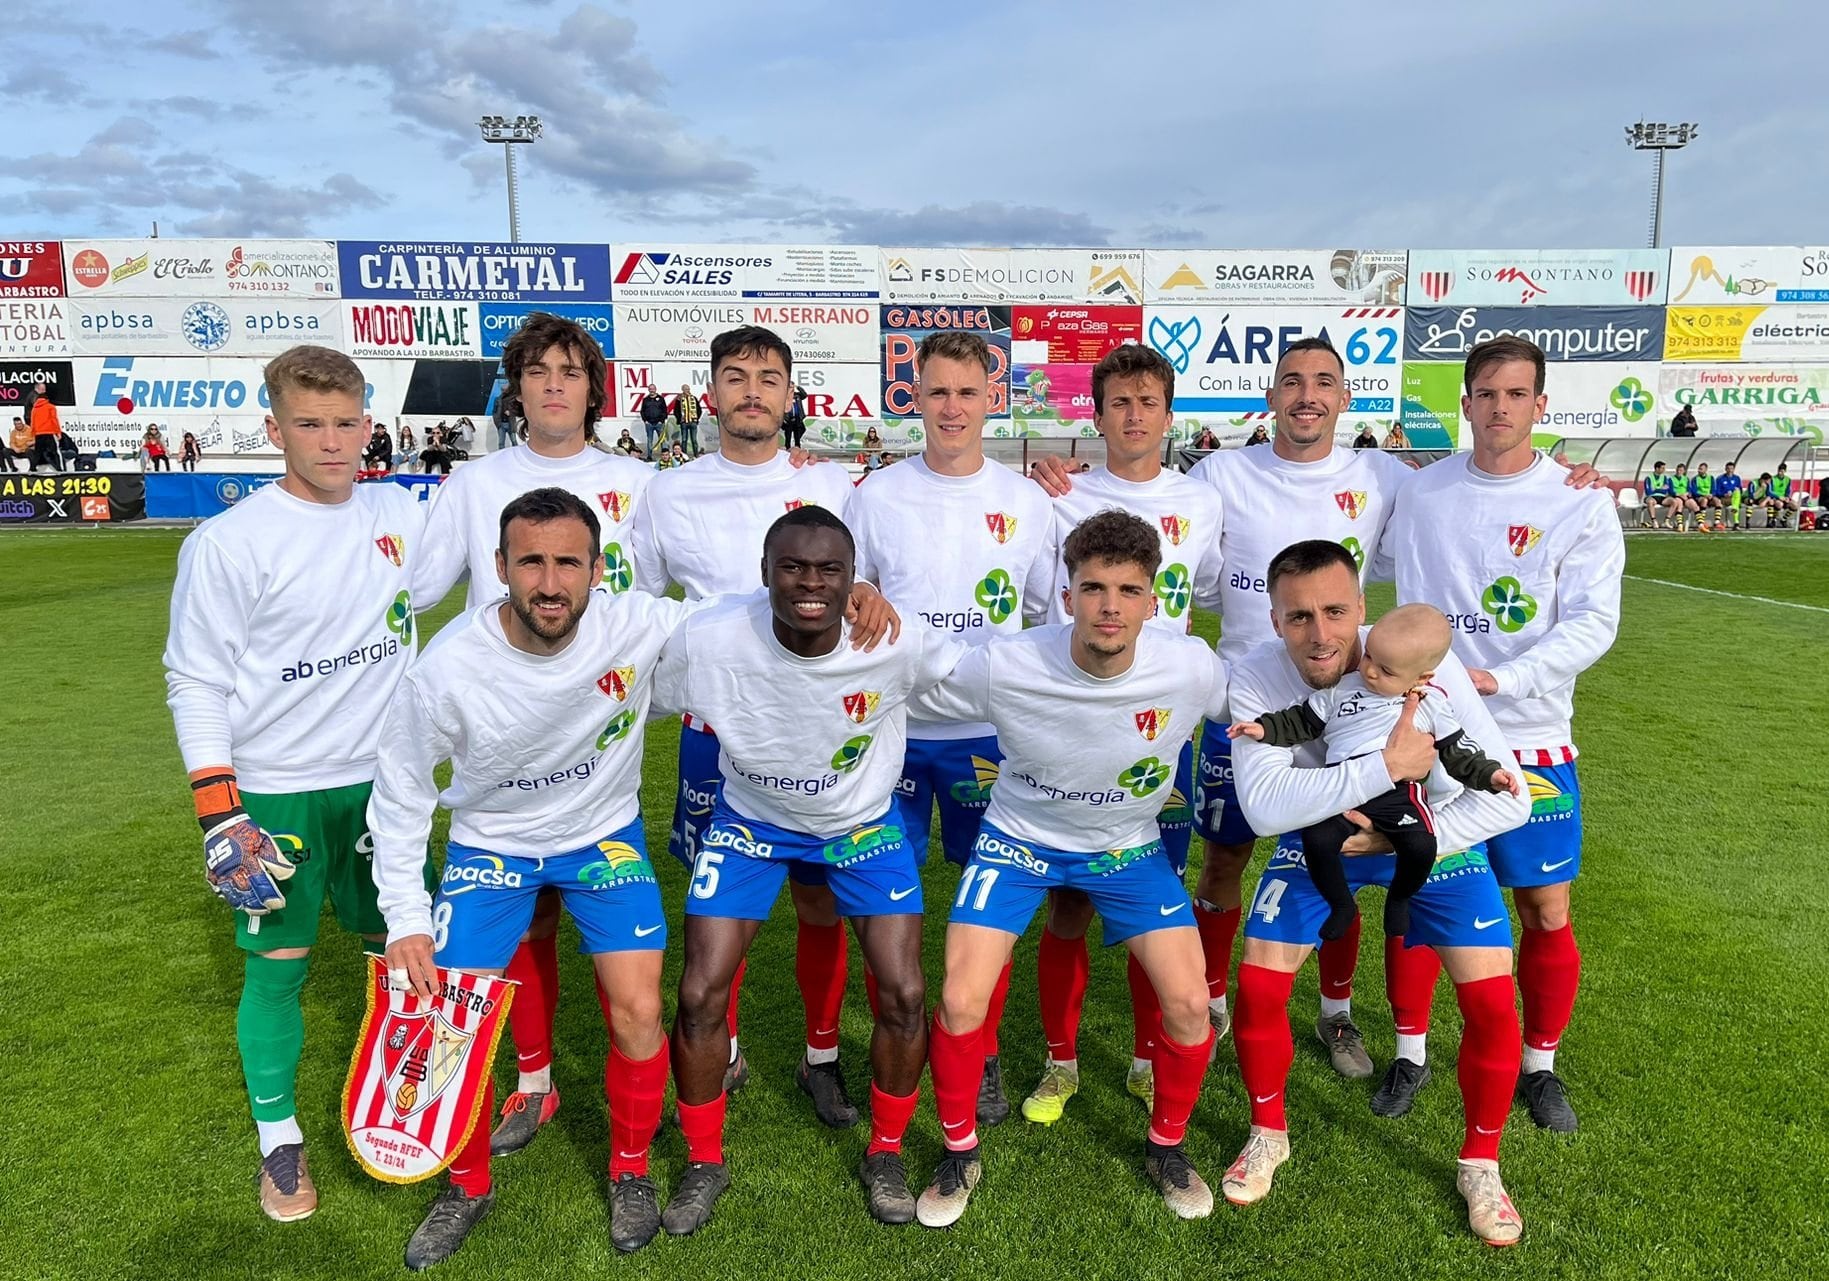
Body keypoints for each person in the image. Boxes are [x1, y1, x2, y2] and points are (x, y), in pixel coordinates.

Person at [371, 488, 711, 1266]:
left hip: (603, 839)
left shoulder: (638, 622)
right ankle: (466, 1182)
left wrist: (850, 593)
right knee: (451, 1020)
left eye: (567, 562)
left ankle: (629, 1169)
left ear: (598, 569)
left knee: (638, 1010)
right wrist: (406, 917)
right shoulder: (448, 667)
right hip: (490, 846)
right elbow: (400, 789)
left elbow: (746, 619)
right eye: (530, 561)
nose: (549, 583)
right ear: (499, 567)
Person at [161, 344, 425, 1223]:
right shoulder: (229, 542)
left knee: (404, 954)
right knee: (279, 967)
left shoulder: (400, 509)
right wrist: (218, 812)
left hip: (387, 786)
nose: (332, 441)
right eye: (309, 424)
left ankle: (405, 1109)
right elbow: (195, 679)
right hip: (277, 790)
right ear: (274, 428)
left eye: (347, 422)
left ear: (368, 422)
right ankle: (280, 1142)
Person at [912, 510, 1231, 1227]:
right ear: (1067, 595)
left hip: (1127, 848)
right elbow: (910, 673)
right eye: (1092, 587)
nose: (1109, 605)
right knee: (961, 998)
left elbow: (1266, 706)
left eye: (1127, 589)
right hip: (1018, 841)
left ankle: (1166, 1146)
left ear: (1154, 599)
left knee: (1187, 1007)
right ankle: (960, 1150)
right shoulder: (1008, 661)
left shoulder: (1191, 665)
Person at [1221, 538, 1531, 1246]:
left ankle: (1480, 1163)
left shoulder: (1422, 659)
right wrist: (1380, 769)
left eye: (1335, 611)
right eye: (1298, 616)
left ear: (1362, 607)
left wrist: (1404, 836)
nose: (1320, 633)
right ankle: (1268, 1133)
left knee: (1489, 1001)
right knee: (1259, 989)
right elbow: (1266, 810)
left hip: (1430, 833)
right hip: (1321, 835)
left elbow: (1503, 795)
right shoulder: (1254, 677)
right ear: (1273, 620)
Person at [652, 506, 945, 1232]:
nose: (809, 583)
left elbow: (992, 680)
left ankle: (884, 1150)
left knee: (905, 991)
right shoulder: (709, 636)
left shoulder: (894, 638)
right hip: (750, 823)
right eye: (792, 567)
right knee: (697, 993)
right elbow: (622, 681)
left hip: (860, 827)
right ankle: (701, 1160)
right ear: (764, 574)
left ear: (854, 581)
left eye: (828, 570)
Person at [413, 310, 655, 1157]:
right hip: (502, 742)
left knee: (603, 932)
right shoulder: (473, 486)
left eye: (571, 370)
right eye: (538, 371)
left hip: (593, 734)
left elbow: (659, 601)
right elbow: (408, 594)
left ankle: (657, 1081)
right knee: (524, 927)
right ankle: (534, 1078)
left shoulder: (638, 480)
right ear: (515, 388)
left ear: (594, 387)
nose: (555, 384)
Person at [1380, 335, 1623, 1135]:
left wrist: (1501, 679)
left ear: (1539, 405)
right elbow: (1320, 495)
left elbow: (1593, 621)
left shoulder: (1578, 500)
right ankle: (1409, 1051)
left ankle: (1539, 1066)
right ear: (1465, 402)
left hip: (1529, 736)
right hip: (1424, 735)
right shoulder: (1416, 490)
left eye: (1516, 394)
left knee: (1545, 908)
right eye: (1485, 393)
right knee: (1416, 893)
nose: (1499, 407)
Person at [631, 325, 862, 1126]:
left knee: (819, 901)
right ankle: (720, 1050)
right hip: (713, 729)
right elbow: (647, 602)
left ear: (791, 395)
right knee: (716, 908)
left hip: (816, 724)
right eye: (734, 376)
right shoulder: (668, 492)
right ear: (711, 392)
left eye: (768, 377)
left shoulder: (829, 480)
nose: (752, 390)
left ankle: (822, 1053)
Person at [847, 330, 1056, 1129]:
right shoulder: (875, 494)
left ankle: (987, 1048)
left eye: (967, 393)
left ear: (989, 400)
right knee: (881, 901)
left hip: (984, 735)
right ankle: (893, 1039)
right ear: (914, 397)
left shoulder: (1027, 501)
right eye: (937, 392)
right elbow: (852, 584)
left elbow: (1046, 610)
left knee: (987, 907)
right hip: (892, 729)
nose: (952, 408)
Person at [1018, 343, 1224, 1127]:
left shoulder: (1199, 501)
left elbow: (1208, 591)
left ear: (1168, 414)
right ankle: (1060, 1060)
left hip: (1157, 735)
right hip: (1068, 723)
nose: (1133, 416)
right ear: (1095, 413)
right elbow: (1041, 605)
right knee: (1067, 905)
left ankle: (1144, 1057)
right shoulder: (1054, 497)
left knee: (1154, 905)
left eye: (1147, 402)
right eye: (1118, 402)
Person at [1228, 603, 1518, 939]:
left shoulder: (1432, 704)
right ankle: (1341, 905)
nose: (1371, 672)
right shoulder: (1340, 691)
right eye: (1369, 658)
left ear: (1422, 677)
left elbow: (1461, 754)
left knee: (1421, 846)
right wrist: (1263, 729)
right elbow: (1300, 721)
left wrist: (1492, 776)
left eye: (1387, 670)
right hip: (1347, 791)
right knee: (1318, 839)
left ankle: (1400, 898)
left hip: (1400, 796)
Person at [30, 381, 62, 471]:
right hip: (49, 432)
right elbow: (54, 420)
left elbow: (32, 423)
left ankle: (32, 469)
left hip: (38, 434)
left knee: (37, 453)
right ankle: (59, 469)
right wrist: (58, 432)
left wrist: (33, 434)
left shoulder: (34, 409)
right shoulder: (50, 407)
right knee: (54, 452)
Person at [1642, 461, 1680, 529]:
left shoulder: (1664, 478)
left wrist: (1656, 489)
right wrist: (1660, 488)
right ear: (1657, 468)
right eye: (1662, 468)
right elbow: (1648, 492)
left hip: (1662, 497)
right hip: (1652, 497)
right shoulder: (1648, 478)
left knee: (1674, 501)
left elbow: (1665, 490)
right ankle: (1654, 520)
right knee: (1650, 502)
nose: (1664, 470)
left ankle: (1667, 520)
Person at [1714, 461, 1744, 531]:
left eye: (1731, 469)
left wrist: (1736, 491)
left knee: (1737, 494)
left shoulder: (1737, 478)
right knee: (1736, 503)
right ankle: (1736, 523)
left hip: (1734, 498)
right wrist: (1725, 494)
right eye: (1728, 468)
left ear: (1734, 469)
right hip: (1724, 498)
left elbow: (1740, 490)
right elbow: (1717, 492)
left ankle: (1736, 522)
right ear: (1725, 469)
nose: (1730, 470)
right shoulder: (1720, 478)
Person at [674, 384, 702, 456]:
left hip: (693, 422)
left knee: (694, 440)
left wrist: (696, 418)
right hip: (684, 422)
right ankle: (684, 455)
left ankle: (696, 454)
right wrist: (679, 419)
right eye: (686, 389)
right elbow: (676, 410)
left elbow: (699, 409)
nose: (688, 391)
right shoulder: (679, 399)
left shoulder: (693, 398)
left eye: (688, 389)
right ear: (682, 390)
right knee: (684, 440)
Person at [639, 386, 669, 458]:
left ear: (655, 389)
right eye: (650, 389)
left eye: (653, 389)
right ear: (648, 390)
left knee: (662, 441)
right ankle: (649, 456)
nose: (652, 390)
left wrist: (661, 421)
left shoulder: (661, 399)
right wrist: (645, 420)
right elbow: (642, 411)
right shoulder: (646, 399)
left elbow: (665, 410)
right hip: (649, 424)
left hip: (659, 423)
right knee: (650, 441)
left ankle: (665, 456)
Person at [1690, 462, 1721, 528]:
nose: (1699, 470)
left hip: (1709, 496)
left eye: (1701, 469)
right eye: (1699, 469)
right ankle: (1702, 522)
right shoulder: (1695, 479)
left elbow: (1714, 489)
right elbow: (1694, 491)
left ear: (1705, 470)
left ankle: (1717, 522)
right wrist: (1704, 495)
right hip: (1700, 497)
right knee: (1704, 501)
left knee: (1717, 501)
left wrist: (1711, 494)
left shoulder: (1711, 478)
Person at [1671, 462, 1699, 530]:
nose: (1678, 472)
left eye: (1680, 470)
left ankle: (1700, 524)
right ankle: (1680, 524)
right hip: (1677, 496)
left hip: (1685, 497)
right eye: (1677, 470)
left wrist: (1688, 493)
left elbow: (1689, 489)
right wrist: (1680, 495)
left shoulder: (1686, 479)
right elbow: (1670, 491)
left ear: (1684, 471)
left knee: (1694, 505)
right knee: (1679, 503)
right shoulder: (1671, 479)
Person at [783, 382, 808, 451]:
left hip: (797, 418)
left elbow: (805, 395)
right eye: (789, 387)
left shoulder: (797, 396)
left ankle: (797, 448)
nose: (791, 389)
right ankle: (787, 449)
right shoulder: (783, 396)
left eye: (792, 387)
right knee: (788, 436)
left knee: (799, 433)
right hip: (788, 419)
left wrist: (798, 387)